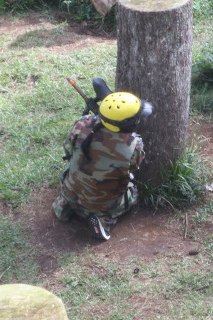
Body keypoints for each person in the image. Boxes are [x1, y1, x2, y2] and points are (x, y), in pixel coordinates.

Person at [52, 91, 153, 241]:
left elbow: (68, 150)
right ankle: (103, 221)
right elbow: (131, 169)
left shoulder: (83, 123)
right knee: (133, 191)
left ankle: (64, 206)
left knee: (71, 171)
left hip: (71, 189)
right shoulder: (134, 146)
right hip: (101, 203)